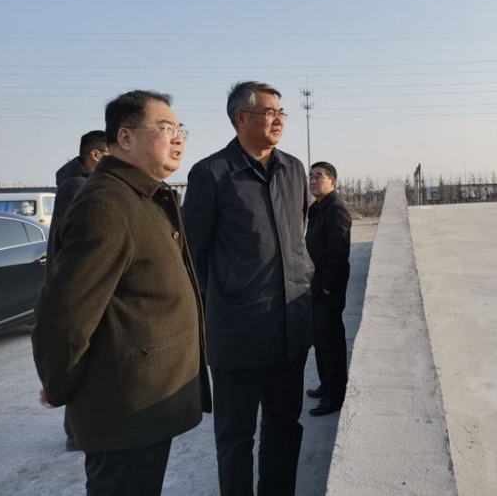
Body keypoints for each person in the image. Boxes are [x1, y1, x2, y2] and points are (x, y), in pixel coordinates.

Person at [32, 90, 210, 496]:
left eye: (180, 129)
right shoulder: (107, 204)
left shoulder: (141, 196)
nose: (178, 137)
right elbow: (64, 316)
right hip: (123, 410)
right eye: (165, 128)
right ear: (125, 138)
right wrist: (58, 385)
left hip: (144, 406)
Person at [182, 81, 312, 496]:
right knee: (236, 438)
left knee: (284, 427)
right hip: (238, 334)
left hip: (290, 328)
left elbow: (296, 237)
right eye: (269, 112)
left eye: (281, 113)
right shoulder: (211, 174)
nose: (278, 119)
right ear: (241, 118)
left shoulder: (294, 169)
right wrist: (228, 297)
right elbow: (192, 254)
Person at [49, 129, 109, 451]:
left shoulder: (82, 182)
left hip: (80, 284)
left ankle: (81, 428)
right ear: (95, 155)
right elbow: (73, 243)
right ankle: (74, 433)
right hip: (75, 286)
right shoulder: (76, 186)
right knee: (79, 360)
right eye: (110, 154)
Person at [305, 162, 352, 417]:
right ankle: (326, 386)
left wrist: (326, 286)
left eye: (319, 176)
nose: (313, 180)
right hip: (316, 285)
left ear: (332, 181)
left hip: (328, 289)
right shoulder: (318, 208)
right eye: (311, 176)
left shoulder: (336, 209)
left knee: (331, 342)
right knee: (320, 340)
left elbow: (339, 253)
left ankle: (336, 396)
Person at [51, 130, 109, 228]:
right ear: (95, 155)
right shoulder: (75, 186)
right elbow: (79, 229)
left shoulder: (91, 183)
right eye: (112, 153)